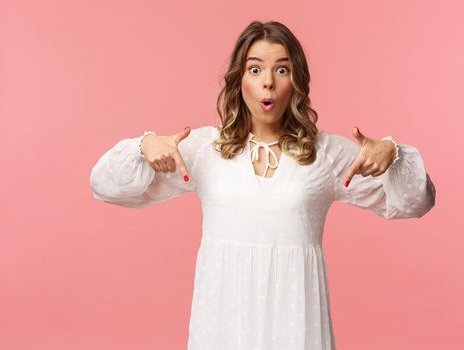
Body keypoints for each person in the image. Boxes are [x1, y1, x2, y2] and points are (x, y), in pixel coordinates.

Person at [89, 20, 436, 350]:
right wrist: (143, 146)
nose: (268, 82)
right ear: (239, 80)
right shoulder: (206, 150)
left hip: (296, 325)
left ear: (296, 81)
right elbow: (104, 185)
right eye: (255, 69)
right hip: (223, 325)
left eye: (281, 69)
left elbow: (414, 203)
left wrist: (393, 154)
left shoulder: (325, 154)